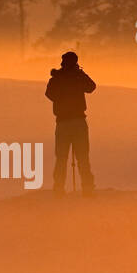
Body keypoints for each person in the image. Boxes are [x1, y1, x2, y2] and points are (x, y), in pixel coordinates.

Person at [44, 51, 96, 196]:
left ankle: (58, 189)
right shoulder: (78, 76)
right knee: (83, 157)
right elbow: (91, 87)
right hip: (79, 121)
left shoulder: (56, 77)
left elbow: (49, 94)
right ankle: (88, 189)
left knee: (61, 158)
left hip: (62, 122)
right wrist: (80, 74)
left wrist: (61, 98)